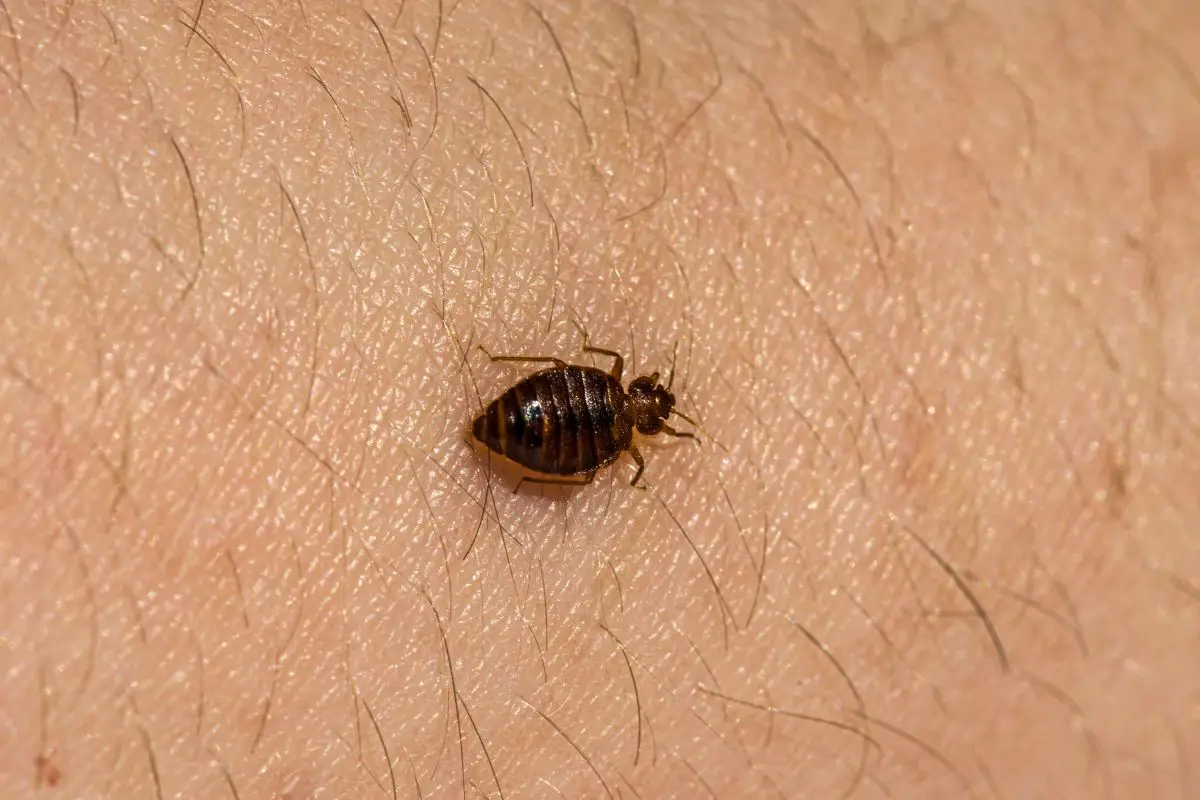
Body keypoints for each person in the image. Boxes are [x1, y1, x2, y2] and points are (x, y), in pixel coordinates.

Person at [2, 1, 1196, 797]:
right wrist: (533, 445)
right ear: (635, 401)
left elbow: (578, 416)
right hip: (521, 417)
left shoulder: (609, 409)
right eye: (646, 404)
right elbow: (577, 435)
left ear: (631, 410)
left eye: (643, 411)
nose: (642, 408)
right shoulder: (614, 422)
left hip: (525, 416)